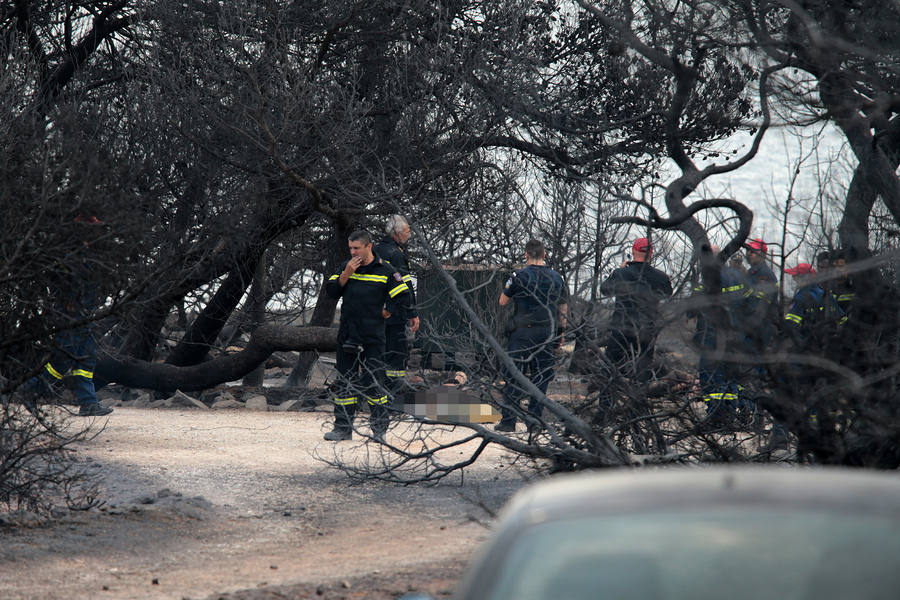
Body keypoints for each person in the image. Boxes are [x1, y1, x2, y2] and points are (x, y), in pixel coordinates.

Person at [323, 230, 413, 442]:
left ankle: (379, 430)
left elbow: (403, 295)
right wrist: (346, 274)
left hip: (373, 335)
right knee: (345, 381)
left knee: (375, 382)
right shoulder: (346, 267)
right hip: (348, 333)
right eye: (351, 248)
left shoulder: (386, 270)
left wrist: (387, 311)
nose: (353, 252)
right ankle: (342, 428)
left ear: (369, 247)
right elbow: (331, 291)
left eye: (357, 248)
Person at [19, 215, 113, 417]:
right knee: (62, 358)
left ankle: (88, 403)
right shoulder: (67, 253)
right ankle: (30, 389)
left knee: (86, 360)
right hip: (69, 317)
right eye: (93, 228)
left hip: (84, 315)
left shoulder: (88, 251)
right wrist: (64, 302)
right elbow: (54, 280)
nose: (98, 232)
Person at [495, 239, 568, 432]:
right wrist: (561, 334)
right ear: (544, 255)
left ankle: (508, 421)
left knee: (514, 375)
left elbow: (502, 301)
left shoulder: (518, 275)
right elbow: (563, 309)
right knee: (541, 376)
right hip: (546, 332)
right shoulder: (557, 278)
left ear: (526, 255)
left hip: (522, 333)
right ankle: (535, 423)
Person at [687, 245, 753, 426]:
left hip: (713, 337)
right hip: (735, 336)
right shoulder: (738, 276)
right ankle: (732, 415)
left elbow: (693, 305)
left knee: (711, 377)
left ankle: (717, 418)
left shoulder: (709, 278)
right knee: (730, 376)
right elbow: (749, 302)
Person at [600, 237, 673, 381]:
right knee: (644, 366)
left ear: (633, 251)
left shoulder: (621, 274)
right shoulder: (661, 277)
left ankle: (606, 402)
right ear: (651, 253)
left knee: (612, 366)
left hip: (622, 326)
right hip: (647, 328)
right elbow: (668, 294)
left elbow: (605, 290)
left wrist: (618, 271)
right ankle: (639, 398)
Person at [372, 215, 420, 398]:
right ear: (398, 234)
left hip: (374, 314)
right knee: (396, 359)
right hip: (395, 315)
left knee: (376, 356)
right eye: (407, 232)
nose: (409, 236)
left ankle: (375, 397)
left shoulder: (374, 250)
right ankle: (392, 401)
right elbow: (405, 288)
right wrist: (413, 313)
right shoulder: (397, 255)